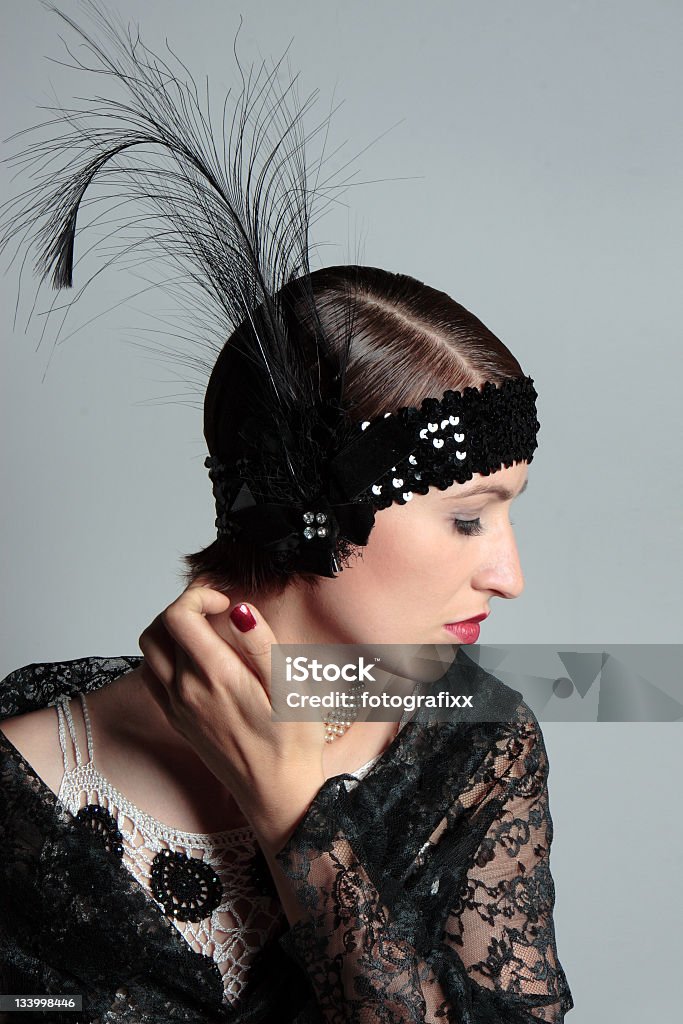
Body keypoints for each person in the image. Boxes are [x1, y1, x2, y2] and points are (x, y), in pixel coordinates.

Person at [0, 4, 574, 1022]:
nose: (508, 574)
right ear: (315, 514)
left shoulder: (474, 745)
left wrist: (293, 813)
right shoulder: (23, 780)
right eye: (465, 518)